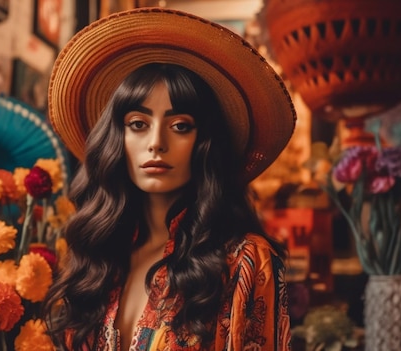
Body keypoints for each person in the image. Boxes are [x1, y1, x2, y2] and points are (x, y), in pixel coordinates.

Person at [42, 7, 296, 351]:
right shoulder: (99, 255)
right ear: (117, 139)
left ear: (205, 143)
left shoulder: (245, 260)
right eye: (138, 124)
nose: (157, 142)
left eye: (180, 126)